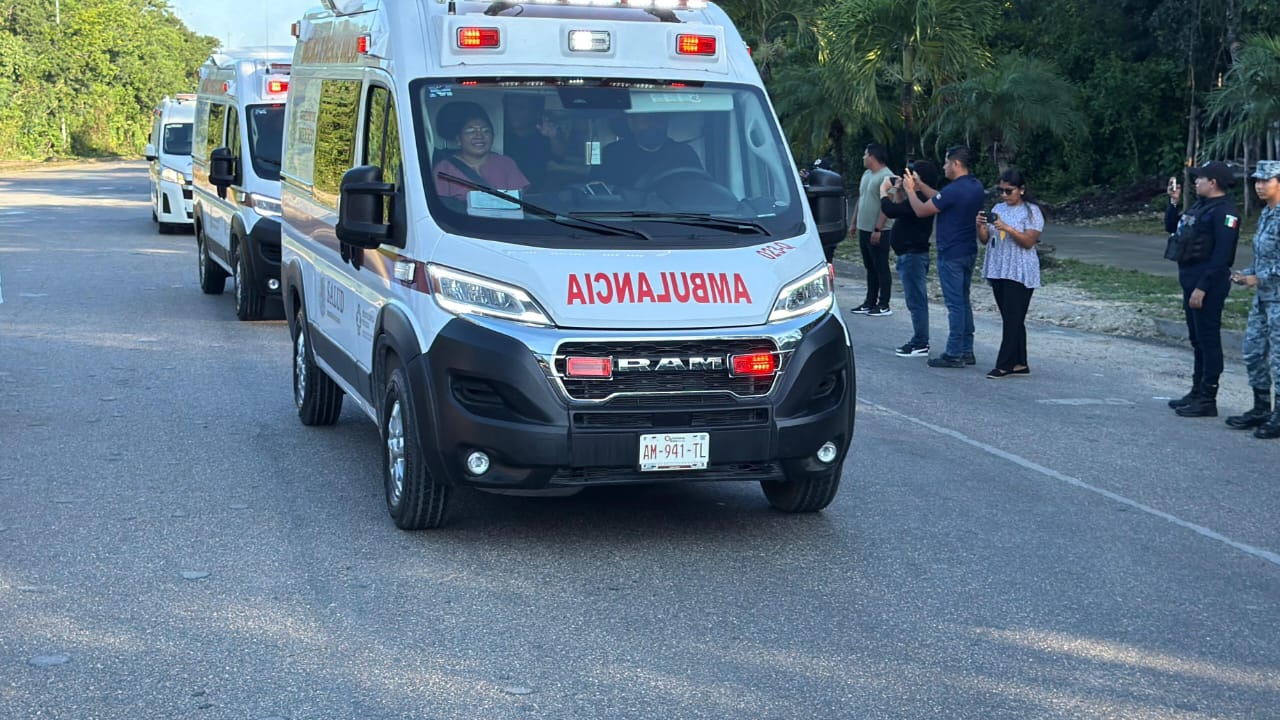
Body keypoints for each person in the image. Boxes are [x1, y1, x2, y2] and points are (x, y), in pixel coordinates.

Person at [1164, 160, 1241, 417]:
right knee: (1197, 339)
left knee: (1208, 340)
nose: (1196, 182)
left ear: (1213, 182)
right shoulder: (1200, 206)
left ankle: (1208, 398)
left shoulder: (1226, 213)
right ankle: (1196, 391)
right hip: (1190, 280)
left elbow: (1222, 256)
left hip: (1208, 285)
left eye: (1200, 178)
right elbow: (1172, 228)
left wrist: (1203, 287)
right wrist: (1173, 202)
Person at [902, 145, 985, 368]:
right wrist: (920, 185)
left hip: (951, 252)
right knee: (963, 301)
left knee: (955, 304)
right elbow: (940, 199)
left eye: (947, 162)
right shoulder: (975, 186)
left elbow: (922, 210)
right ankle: (966, 348)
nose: (944, 166)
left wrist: (910, 190)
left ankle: (954, 352)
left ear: (956, 163)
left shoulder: (954, 189)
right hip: (968, 249)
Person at [1225, 160, 1280, 438]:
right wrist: (1246, 274)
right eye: (1257, 180)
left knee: (1279, 360)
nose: (1259, 185)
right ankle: (1261, 407)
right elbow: (1264, 258)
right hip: (1263, 298)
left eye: (1265, 180)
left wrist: (1258, 278)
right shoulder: (1267, 214)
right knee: (1252, 351)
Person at [977, 169, 1044, 378]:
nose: (1004, 195)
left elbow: (1028, 242)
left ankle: (1004, 364)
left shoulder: (1032, 212)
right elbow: (985, 240)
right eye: (1001, 191)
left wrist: (1008, 228)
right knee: (1011, 317)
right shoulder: (998, 208)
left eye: (1009, 191)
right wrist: (981, 226)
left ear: (1021, 190)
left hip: (1020, 269)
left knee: (1013, 318)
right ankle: (1020, 362)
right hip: (999, 267)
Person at [879, 159, 940, 356]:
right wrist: (898, 191)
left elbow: (890, 210)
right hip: (909, 255)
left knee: (916, 300)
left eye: (912, 176)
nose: (908, 179)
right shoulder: (916, 198)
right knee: (914, 299)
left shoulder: (921, 199)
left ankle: (920, 341)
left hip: (913, 256)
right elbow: (901, 210)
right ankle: (920, 339)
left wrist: (883, 191)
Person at [433, 102, 529, 200]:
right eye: (471, 131)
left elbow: (519, 200)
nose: (479, 136)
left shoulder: (506, 163)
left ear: (492, 137)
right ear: (458, 139)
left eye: (485, 131)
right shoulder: (445, 168)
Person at [593, 113, 701, 188]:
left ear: (666, 123)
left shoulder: (684, 153)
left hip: (677, 211)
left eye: (658, 119)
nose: (652, 125)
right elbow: (599, 191)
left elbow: (700, 188)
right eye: (646, 120)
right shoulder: (613, 153)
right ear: (631, 124)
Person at [848, 143, 895, 316]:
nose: (863, 157)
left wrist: (878, 228)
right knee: (870, 267)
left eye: (865, 154)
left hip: (879, 230)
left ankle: (884, 304)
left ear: (873, 156)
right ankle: (869, 301)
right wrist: (854, 222)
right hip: (864, 227)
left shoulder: (887, 176)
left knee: (881, 266)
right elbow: (862, 199)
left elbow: (887, 205)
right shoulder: (867, 174)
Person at [503, 94, 566, 191]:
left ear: (536, 113)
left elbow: (560, 157)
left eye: (520, 107)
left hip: (535, 197)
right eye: (510, 106)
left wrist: (554, 137)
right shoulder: (499, 137)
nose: (513, 111)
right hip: (502, 194)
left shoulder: (544, 139)